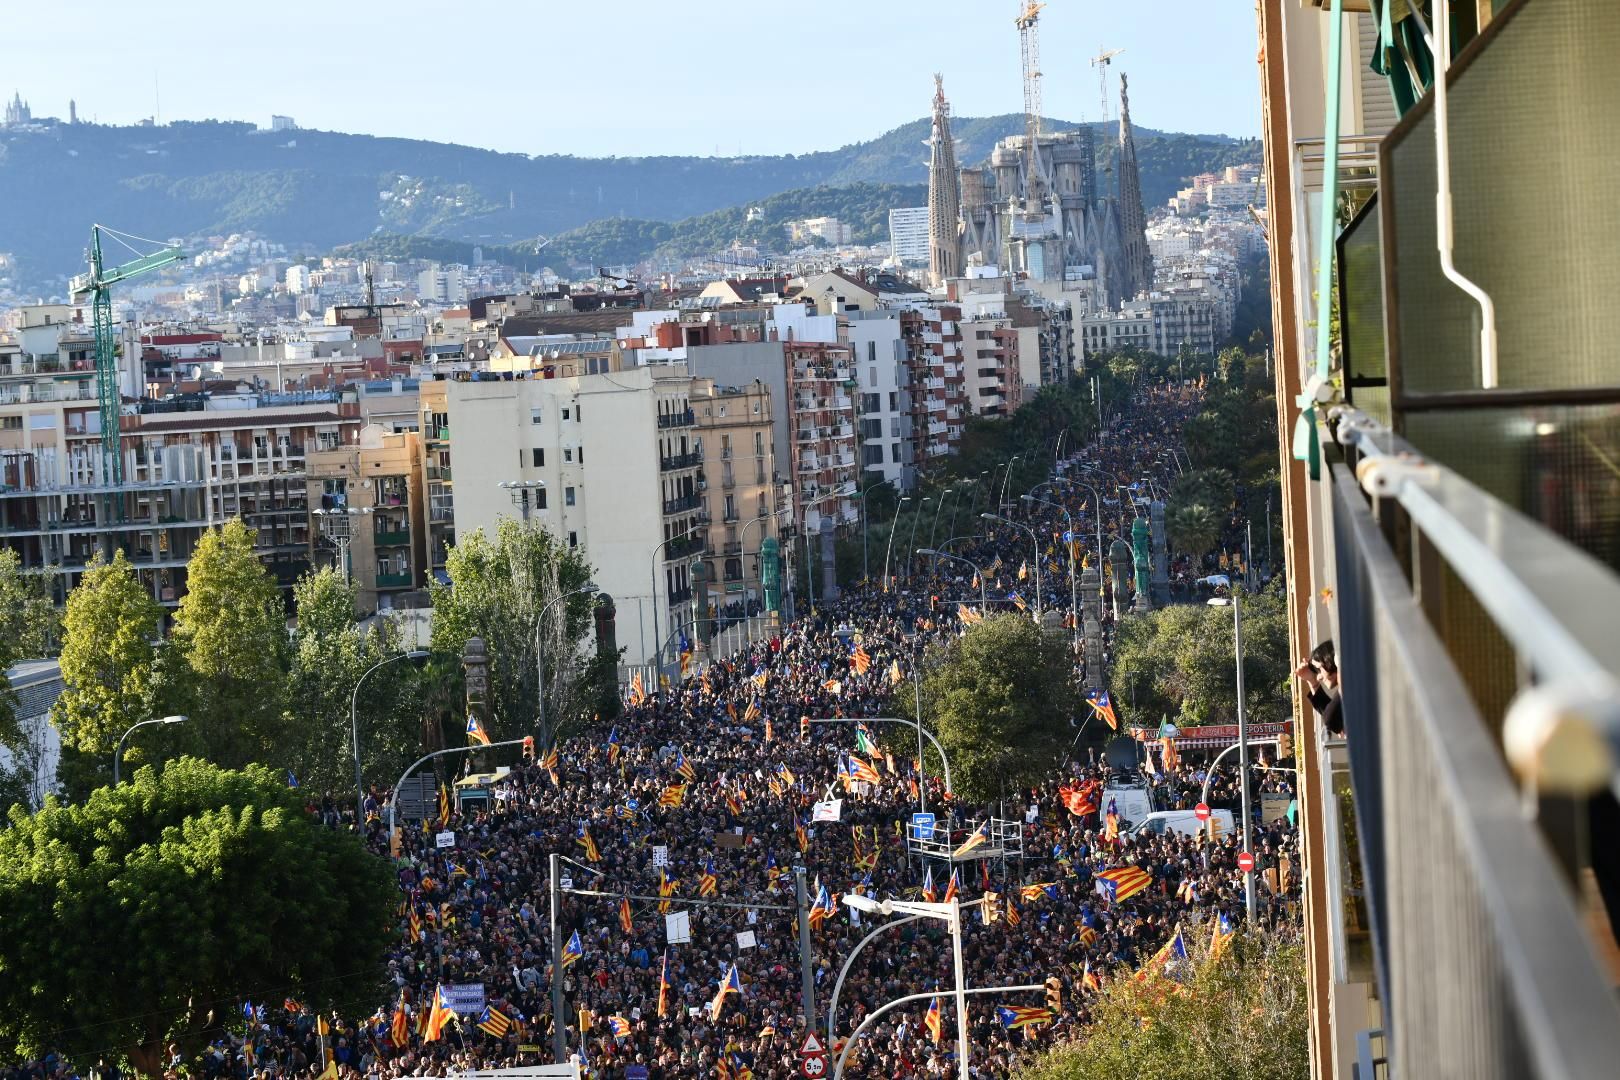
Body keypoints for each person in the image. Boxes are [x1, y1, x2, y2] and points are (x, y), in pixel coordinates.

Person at [1295, 640, 1342, 736]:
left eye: (1319, 669)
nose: (1319, 677)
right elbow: (1337, 721)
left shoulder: (1351, 684)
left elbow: (1332, 718)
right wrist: (1312, 681)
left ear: (1329, 661)